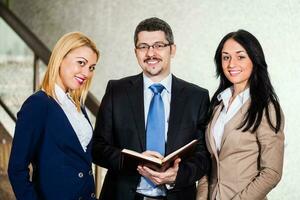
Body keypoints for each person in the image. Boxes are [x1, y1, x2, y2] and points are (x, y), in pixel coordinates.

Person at [92, 17, 210, 200]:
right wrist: (134, 162)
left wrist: (177, 175)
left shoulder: (197, 96)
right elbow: (98, 148)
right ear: (135, 52)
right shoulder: (117, 91)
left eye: (159, 45)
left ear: (172, 49)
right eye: (143, 46)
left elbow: (204, 155)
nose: (150, 53)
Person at [8, 32, 100, 200]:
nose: (86, 73)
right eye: (81, 63)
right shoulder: (38, 104)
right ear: (60, 58)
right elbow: (16, 169)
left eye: (91, 67)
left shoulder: (77, 103)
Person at [197, 29, 285, 200]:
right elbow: (208, 162)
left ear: (254, 59)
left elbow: (272, 172)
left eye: (240, 56)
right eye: (226, 57)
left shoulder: (266, 107)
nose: (231, 64)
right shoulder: (217, 105)